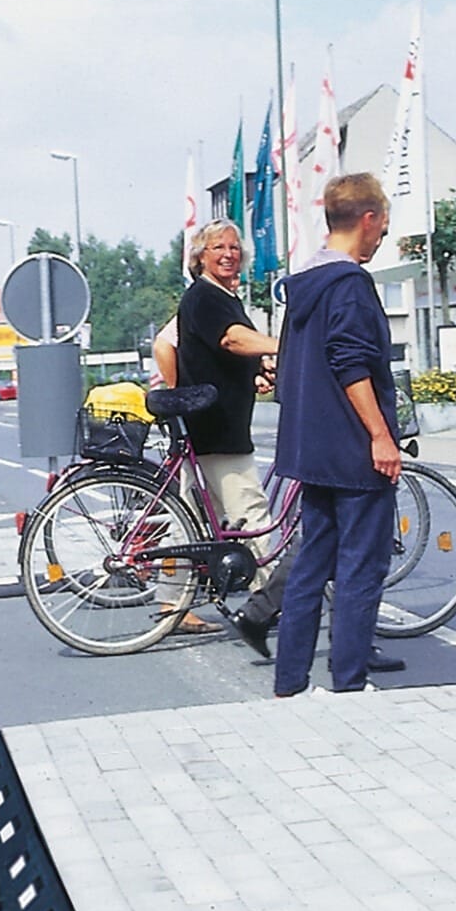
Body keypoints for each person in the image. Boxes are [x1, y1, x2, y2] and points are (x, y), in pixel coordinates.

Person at [271, 172, 406, 696]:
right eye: (383, 228)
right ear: (367, 220)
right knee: (360, 568)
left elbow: (290, 368)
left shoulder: (304, 283)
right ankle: (349, 683)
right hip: (353, 450)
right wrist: (381, 436)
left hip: (312, 448)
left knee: (312, 564)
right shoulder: (349, 285)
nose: (381, 239)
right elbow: (352, 364)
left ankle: (290, 683)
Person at [174, 220, 283, 655]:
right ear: (200, 256)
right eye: (218, 247)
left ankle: (173, 605)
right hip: (217, 428)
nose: (228, 254)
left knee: (190, 520)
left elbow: (225, 355)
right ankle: (266, 605)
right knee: (252, 514)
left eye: (235, 248)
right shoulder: (206, 296)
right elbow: (233, 340)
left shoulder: (220, 297)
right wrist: (285, 344)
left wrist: (256, 373)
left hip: (208, 422)